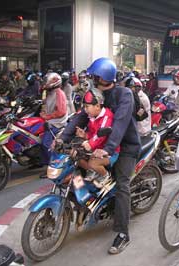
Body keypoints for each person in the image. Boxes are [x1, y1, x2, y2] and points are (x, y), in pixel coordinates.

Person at [60, 57, 141, 255]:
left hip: (125, 147)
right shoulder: (93, 94)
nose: (92, 79)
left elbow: (120, 123)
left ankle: (122, 233)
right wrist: (63, 137)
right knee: (77, 165)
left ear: (104, 77)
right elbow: (80, 116)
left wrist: (110, 147)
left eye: (95, 76)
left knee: (122, 185)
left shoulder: (124, 95)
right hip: (99, 143)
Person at [76, 91, 120, 188]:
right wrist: (85, 135)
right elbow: (93, 134)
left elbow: (101, 135)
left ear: (97, 106)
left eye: (87, 107)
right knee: (76, 157)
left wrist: (90, 144)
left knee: (93, 163)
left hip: (109, 152)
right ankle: (92, 171)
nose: (85, 109)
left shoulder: (106, 116)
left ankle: (105, 176)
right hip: (96, 149)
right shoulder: (92, 117)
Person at [39, 73, 68, 170]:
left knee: (46, 144)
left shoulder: (59, 93)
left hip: (56, 123)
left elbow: (61, 111)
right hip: (49, 120)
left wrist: (47, 116)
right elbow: (45, 104)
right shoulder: (49, 92)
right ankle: (41, 162)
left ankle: (52, 166)